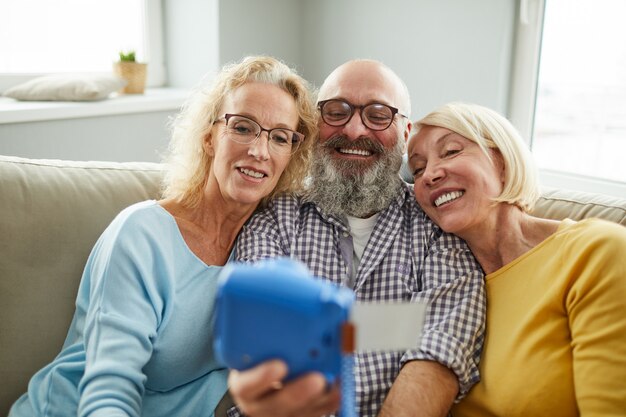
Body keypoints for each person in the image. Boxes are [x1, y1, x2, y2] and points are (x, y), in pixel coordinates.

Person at [8, 55, 317, 417]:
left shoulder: (269, 249)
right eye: (243, 127)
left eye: (280, 137)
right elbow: (109, 390)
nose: (259, 150)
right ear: (209, 138)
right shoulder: (142, 235)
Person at [228, 60, 486, 417]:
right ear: (317, 125)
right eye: (336, 111)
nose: (353, 129)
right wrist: (399, 324)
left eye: (378, 115)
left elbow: (436, 357)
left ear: (406, 132)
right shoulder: (276, 215)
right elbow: (273, 346)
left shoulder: (439, 227)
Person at [406, 101, 626, 417]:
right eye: (417, 169)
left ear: (503, 162)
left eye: (452, 151)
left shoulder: (596, 251)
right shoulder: (445, 280)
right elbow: (361, 332)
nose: (430, 174)